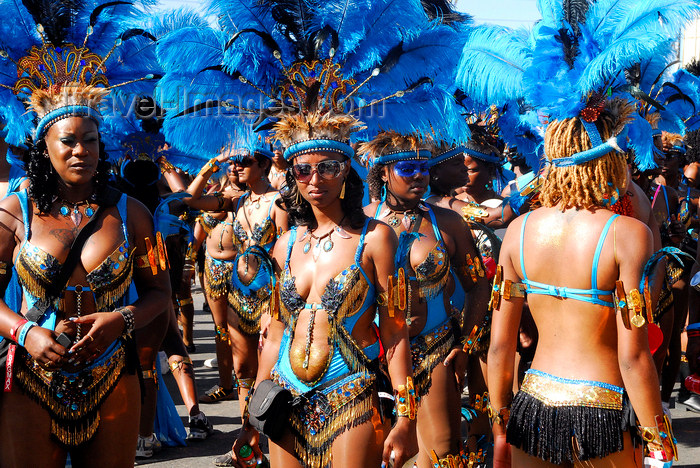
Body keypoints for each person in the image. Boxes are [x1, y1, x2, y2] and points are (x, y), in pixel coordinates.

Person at [489, 100, 674, 467]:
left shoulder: (517, 231)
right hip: (604, 411)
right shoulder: (627, 234)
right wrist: (660, 440)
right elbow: (633, 356)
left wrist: (499, 431)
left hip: (532, 409)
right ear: (610, 157)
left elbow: (499, 348)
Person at [363, 132, 490, 468]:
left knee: (442, 455)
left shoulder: (447, 223)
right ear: (384, 173)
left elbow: (478, 285)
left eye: (423, 168)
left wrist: (466, 344)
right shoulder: (362, 225)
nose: (419, 176)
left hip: (435, 350)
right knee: (376, 455)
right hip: (374, 356)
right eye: (407, 168)